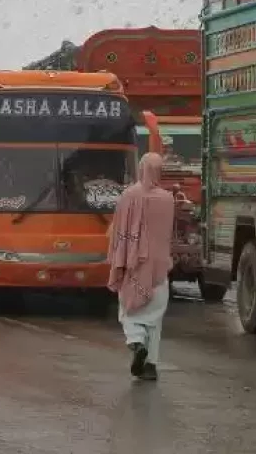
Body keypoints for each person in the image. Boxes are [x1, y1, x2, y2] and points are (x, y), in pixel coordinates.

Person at [106, 152, 175, 381]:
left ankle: (136, 342)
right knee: (154, 320)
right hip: (159, 270)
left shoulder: (128, 196)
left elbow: (118, 230)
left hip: (134, 266)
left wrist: (118, 257)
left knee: (129, 311)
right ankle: (151, 365)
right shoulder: (167, 199)